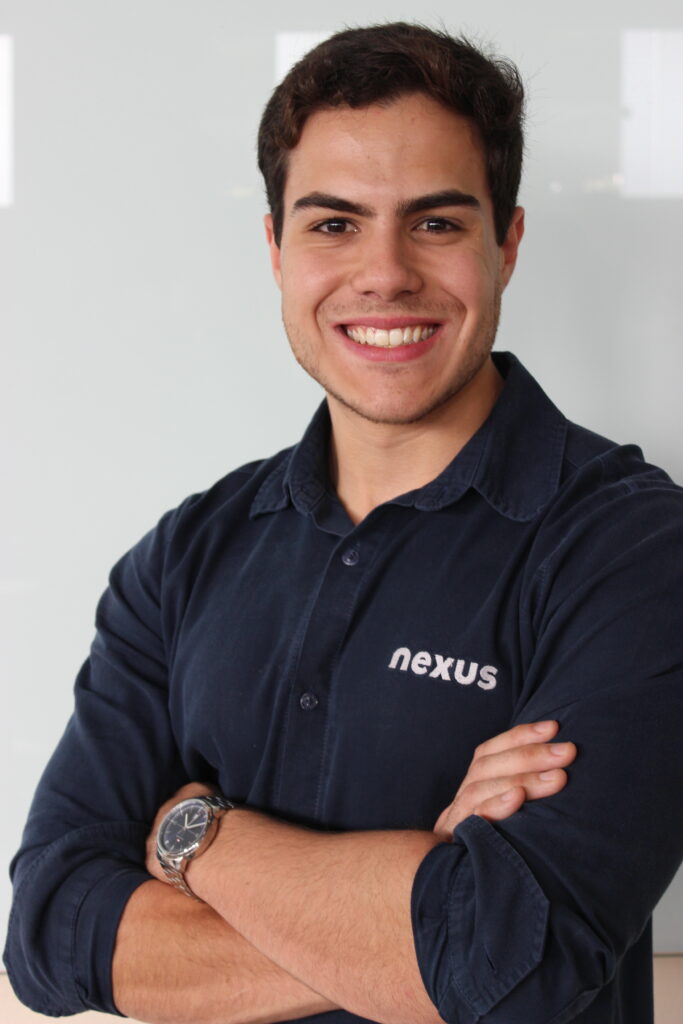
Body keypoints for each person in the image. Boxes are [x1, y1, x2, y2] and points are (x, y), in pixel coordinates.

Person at [5, 21, 683, 1024]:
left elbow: (522, 965)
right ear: (276, 249)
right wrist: (429, 907)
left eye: (435, 222)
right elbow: (50, 934)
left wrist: (196, 836)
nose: (383, 274)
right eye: (332, 224)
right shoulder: (184, 557)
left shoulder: (633, 551)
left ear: (505, 244)